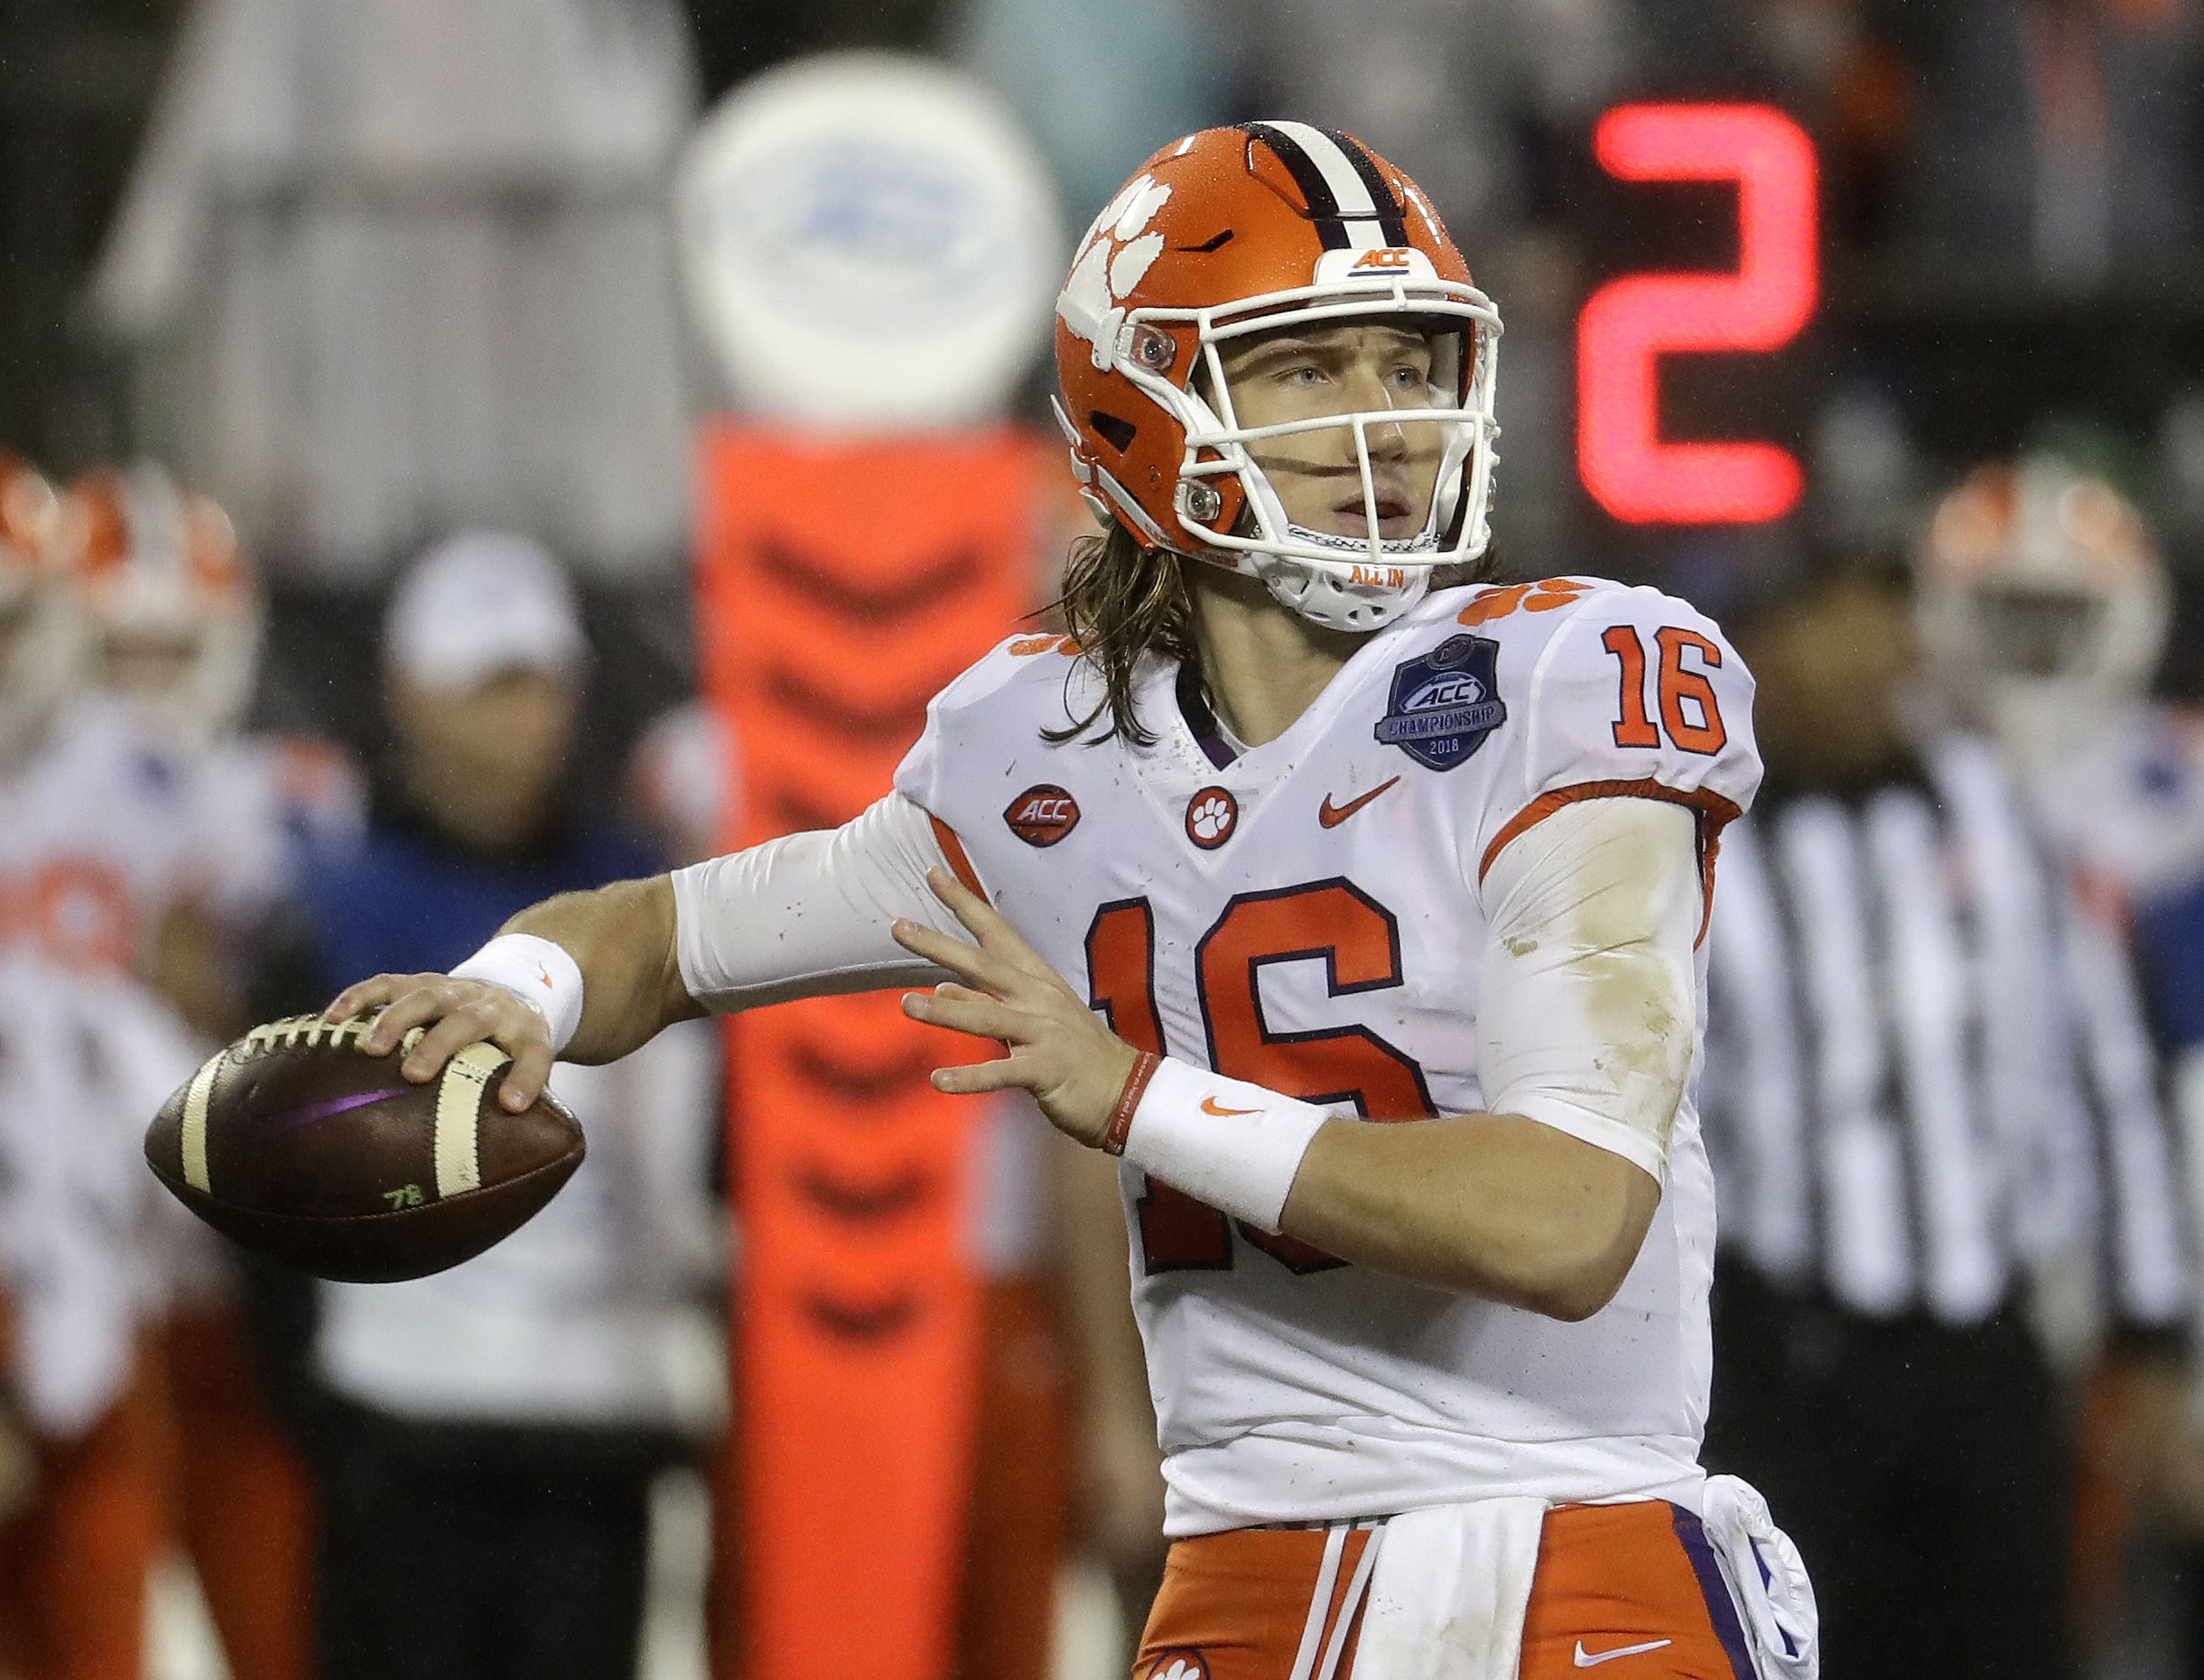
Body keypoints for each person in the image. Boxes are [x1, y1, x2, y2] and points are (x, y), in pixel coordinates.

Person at [330, 126, 1813, 1678]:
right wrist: (521, 993)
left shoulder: (1565, 679)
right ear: (1145, 405)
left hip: (1568, 1533)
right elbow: (660, 934)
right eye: (1309, 369)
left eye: (1409, 360)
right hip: (1239, 1563)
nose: (1387, 419)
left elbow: (1564, 1219)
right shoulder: (1034, 760)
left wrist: (1133, 1096)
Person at [1695, 556, 2190, 1679]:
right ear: (1756, 653)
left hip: (1985, 1353)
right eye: (1820, 624)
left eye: (1877, 622)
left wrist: (2150, 1330)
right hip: (1787, 1355)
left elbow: (2107, 1068)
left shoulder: (1999, 812)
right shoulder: (1694, 845)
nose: (1856, 660)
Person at [263, 531, 724, 1680]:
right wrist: (310, 1403)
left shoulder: (640, 903)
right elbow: (264, 1196)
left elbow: (706, 1153)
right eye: (491, 682)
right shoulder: (327, 910)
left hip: (595, 1408)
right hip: (397, 1417)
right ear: (410, 692)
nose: (526, 716)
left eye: (542, 680)